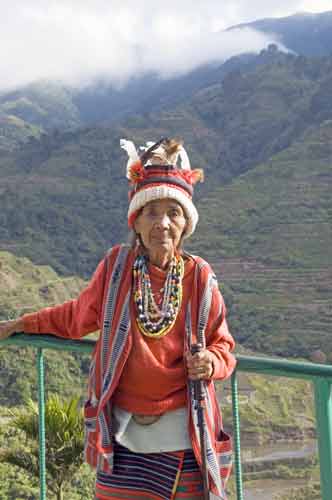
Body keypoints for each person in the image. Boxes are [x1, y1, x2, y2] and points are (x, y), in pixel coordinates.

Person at [0, 137, 236, 500]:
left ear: (186, 224)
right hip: (123, 438)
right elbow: (77, 317)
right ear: (136, 222)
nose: (162, 224)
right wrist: (22, 323)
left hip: (184, 439)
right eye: (151, 213)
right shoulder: (116, 269)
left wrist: (211, 362)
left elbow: (224, 346)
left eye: (173, 213)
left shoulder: (200, 278)